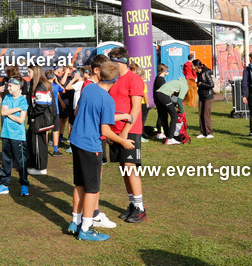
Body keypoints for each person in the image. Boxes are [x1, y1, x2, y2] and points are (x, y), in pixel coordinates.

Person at [66, 61, 134, 243]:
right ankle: (86, 228)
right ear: (116, 79)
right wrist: (123, 141)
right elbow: (105, 131)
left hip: (76, 142)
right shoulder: (107, 99)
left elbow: (84, 111)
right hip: (90, 146)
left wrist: (123, 116)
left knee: (79, 184)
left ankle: (75, 221)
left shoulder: (88, 88)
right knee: (92, 189)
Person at [105, 46, 148, 224]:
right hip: (114, 131)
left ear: (121, 62)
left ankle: (140, 207)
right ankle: (132, 204)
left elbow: (136, 108)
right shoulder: (112, 80)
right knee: (124, 169)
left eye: (112, 62)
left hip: (130, 130)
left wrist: (124, 132)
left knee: (130, 167)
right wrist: (109, 131)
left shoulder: (134, 79)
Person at [0, 77, 28, 197]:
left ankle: (24, 185)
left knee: (21, 161)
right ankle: (4, 184)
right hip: (6, 134)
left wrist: (8, 112)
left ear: (18, 87)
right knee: (6, 160)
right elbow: (3, 112)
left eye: (10, 86)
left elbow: (21, 120)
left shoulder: (23, 100)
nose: (8, 88)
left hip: (18, 136)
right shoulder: (7, 98)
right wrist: (17, 109)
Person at [26, 65, 53, 176]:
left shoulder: (40, 86)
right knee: (33, 142)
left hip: (40, 120)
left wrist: (32, 113)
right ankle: (34, 164)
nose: (28, 74)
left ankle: (40, 168)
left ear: (35, 72)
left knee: (38, 144)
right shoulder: (39, 84)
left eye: (29, 72)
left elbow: (41, 105)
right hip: (38, 120)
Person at [154, 67, 187, 146]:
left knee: (164, 116)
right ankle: (170, 138)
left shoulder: (177, 82)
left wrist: (173, 104)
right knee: (174, 116)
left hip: (157, 95)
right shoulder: (185, 86)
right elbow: (179, 100)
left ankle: (167, 136)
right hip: (163, 95)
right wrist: (181, 111)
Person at [195, 59, 216, 139]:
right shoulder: (198, 73)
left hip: (208, 95)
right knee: (200, 113)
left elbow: (211, 84)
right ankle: (203, 132)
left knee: (206, 114)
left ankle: (209, 132)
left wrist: (201, 83)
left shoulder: (206, 72)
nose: (191, 67)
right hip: (201, 95)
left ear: (196, 66)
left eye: (192, 65)